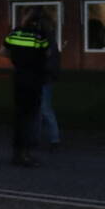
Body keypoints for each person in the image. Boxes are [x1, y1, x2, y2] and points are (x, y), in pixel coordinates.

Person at [2, 7, 49, 167]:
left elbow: (2, 51)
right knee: (30, 117)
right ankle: (25, 154)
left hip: (18, 77)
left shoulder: (14, 33)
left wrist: (17, 59)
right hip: (34, 79)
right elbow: (47, 54)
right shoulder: (39, 36)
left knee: (19, 116)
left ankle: (17, 153)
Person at [38, 16, 62, 153]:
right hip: (45, 79)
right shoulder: (50, 40)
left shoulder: (46, 41)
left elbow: (48, 62)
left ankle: (54, 139)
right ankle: (49, 138)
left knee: (45, 109)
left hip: (43, 79)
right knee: (42, 110)